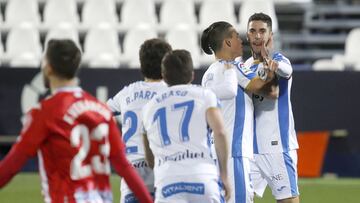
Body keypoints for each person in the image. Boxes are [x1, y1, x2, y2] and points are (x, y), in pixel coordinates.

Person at [0, 39, 152, 203]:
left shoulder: (44, 113)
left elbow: (12, 164)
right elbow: (123, 166)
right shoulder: (100, 110)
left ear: (48, 67)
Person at [200, 21, 277, 203]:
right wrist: (269, 67)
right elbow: (269, 91)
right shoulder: (233, 67)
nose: (241, 40)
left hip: (215, 152)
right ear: (227, 43)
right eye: (235, 36)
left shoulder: (208, 74)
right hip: (235, 151)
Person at [142, 50, 230, 203]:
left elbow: (150, 159)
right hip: (202, 177)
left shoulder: (149, 107)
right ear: (192, 74)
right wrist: (224, 174)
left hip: (168, 181)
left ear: (163, 75)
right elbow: (220, 132)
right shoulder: (205, 95)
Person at [107, 38, 172, 203]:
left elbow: (102, 112)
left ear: (141, 64)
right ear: (167, 65)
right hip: (163, 171)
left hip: (132, 176)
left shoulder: (127, 92)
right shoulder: (172, 92)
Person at [244, 13, 300, 203]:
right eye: (253, 31)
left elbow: (287, 71)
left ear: (270, 35)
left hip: (278, 148)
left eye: (262, 31)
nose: (257, 36)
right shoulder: (245, 66)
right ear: (247, 35)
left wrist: (273, 67)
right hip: (251, 151)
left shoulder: (280, 60)